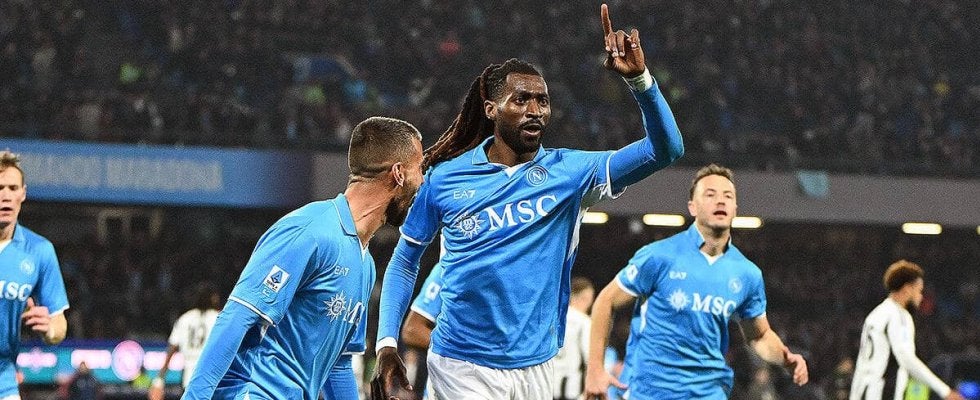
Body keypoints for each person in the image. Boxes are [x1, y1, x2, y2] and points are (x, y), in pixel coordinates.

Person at [371, 4, 685, 399]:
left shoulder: (571, 173)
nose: (535, 111)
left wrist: (640, 80)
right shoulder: (445, 178)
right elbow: (405, 260)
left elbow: (665, 150)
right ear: (492, 110)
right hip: (460, 365)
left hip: (537, 368)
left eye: (542, 101)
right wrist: (386, 345)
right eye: (521, 100)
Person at [182, 116, 425, 400]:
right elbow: (238, 316)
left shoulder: (365, 264)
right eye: (419, 169)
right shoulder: (309, 231)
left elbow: (338, 363)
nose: (422, 181)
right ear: (398, 173)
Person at [584, 164, 808, 399]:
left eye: (728, 196)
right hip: (650, 391)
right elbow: (605, 301)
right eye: (710, 195)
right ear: (692, 206)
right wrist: (595, 369)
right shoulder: (659, 256)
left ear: (735, 208)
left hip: (708, 392)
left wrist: (785, 358)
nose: (720, 201)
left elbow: (759, 336)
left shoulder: (747, 273)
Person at [0, 150, 70, 400]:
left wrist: (49, 328)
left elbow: (59, 323)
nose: (6, 196)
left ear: (23, 193)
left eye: (12, 188)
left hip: (3, 380)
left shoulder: (39, 251)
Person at [849, 260, 966, 400]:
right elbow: (906, 358)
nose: (921, 297)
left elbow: (862, 365)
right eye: (919, 290)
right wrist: (945, 391)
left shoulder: (875, 314)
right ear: (907, 289)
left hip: (863, 392)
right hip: (883, 393)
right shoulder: (899, 316)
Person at [148, 283, 222, 400]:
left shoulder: (185, 319)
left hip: (189, 378)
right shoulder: (219, 318)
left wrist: (159, 380)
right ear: (213, 298)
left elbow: (171, 350)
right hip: (213, 378)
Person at [553, 277, 595, 400]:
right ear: (585, 298)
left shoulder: (554, 318)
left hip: (549, 384)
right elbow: (589, 357)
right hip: (571, 387)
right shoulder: (584, 322)